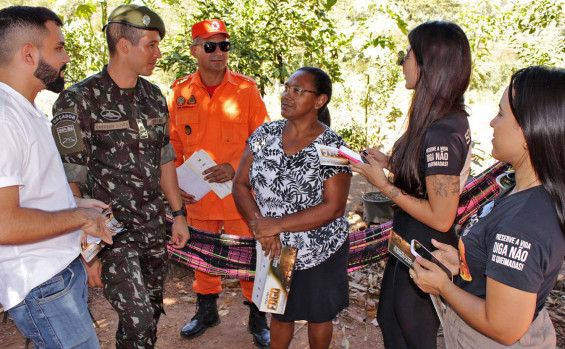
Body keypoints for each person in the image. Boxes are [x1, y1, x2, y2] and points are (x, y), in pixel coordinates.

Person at [51, 4, 189, 348]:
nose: (158, 53)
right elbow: (70, 180)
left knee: (150, 313)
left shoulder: (153, 97)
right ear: (124, 45)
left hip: (154, 224)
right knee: (139, 316)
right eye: (151, 44)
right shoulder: (79, 100)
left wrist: (179, 215)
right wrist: (89, 251)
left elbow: (164, 160)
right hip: (110, 231)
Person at [412, 66, 565, 348]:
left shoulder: (525, 224)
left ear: (530, 131)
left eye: (502, 113)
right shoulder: (523, 189)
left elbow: (503, 327)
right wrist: (467, 264)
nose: (493, 122)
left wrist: (443, 287)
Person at [350, 21, 473, 348]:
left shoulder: (441, 133)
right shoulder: (440, 120)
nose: (402, 62)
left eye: (409, 55)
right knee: (391, 323)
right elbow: (430, 177)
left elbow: (442, 215)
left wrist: (385, 185)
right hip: (408, 244)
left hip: (425, 249)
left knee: (412, 334)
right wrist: (391, 164)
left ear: (428, 65)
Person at [0, 6, 113, 348]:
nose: (66, 57)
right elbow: (5, 224)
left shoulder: (25, 108)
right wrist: (80, 216)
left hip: (57, 272)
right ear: (29, 54)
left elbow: (27, 195)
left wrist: (73, 202)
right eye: (59, 48)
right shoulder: (5, 120)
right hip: (41, 281)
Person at [168, 19, 270, 347]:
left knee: (250, 255)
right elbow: (171, 145)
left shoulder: (246, 89)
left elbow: (264, 140)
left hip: (239, 194)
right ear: (195, 49)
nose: (218, 52)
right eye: (210, 46)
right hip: (197, 196)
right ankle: (207, 311)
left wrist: (235, 166)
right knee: (202, 255)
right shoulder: (180, 91)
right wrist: (175, 185)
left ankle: (257, 317)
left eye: (223, 45)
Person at [233, 66, 352, 349]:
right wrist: (261, 227)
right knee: (280, 313)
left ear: (319, 100)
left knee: (319, 316)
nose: (287, 95)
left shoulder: (333, 147)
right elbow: (239, 184)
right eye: (287, 88)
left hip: (321, 249)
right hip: (275, 247)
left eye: (298, 90)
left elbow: (334, 208)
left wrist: (278, 225)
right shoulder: (265, 134)